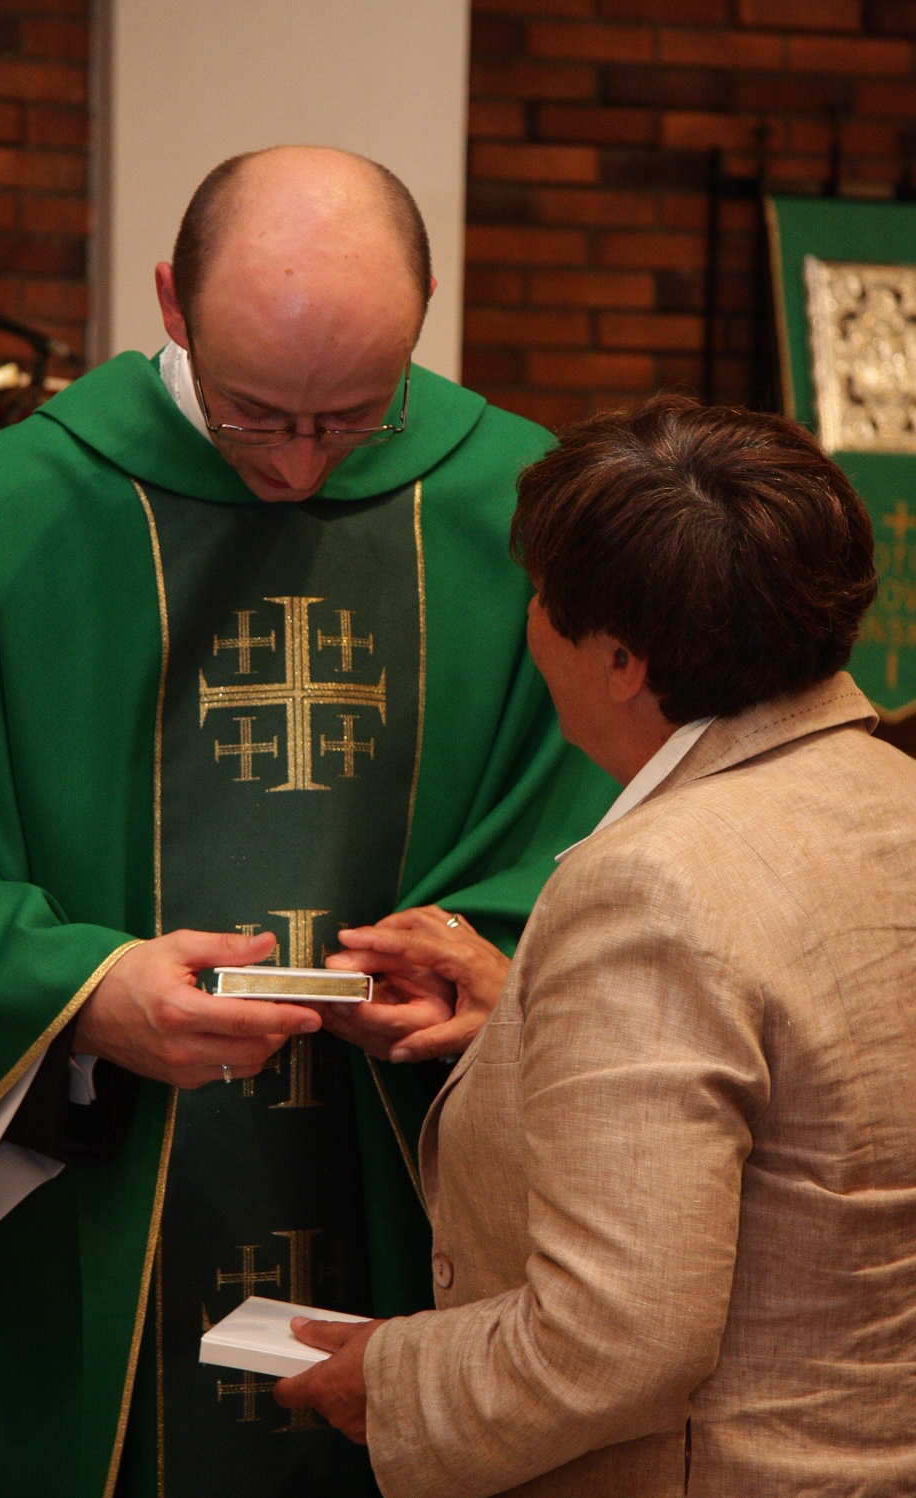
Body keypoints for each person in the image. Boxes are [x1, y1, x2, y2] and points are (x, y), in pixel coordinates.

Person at [0, 147, 618, 1498]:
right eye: (255, 416)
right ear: (171, 303)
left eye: (352, 417)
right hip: (103, 1200)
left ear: (423, 318)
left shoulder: (533, 509)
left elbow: (612, 831)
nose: (297, 465)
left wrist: (493, 964)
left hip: (420, 1187)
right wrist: (75, 993)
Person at [275, 395, 916, 1496]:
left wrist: (395, 1379)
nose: (529, 624)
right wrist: (528, 1014)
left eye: (540, 597)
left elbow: (619, 1338)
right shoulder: (891, 793)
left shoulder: (652, 884)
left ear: (620, 659)